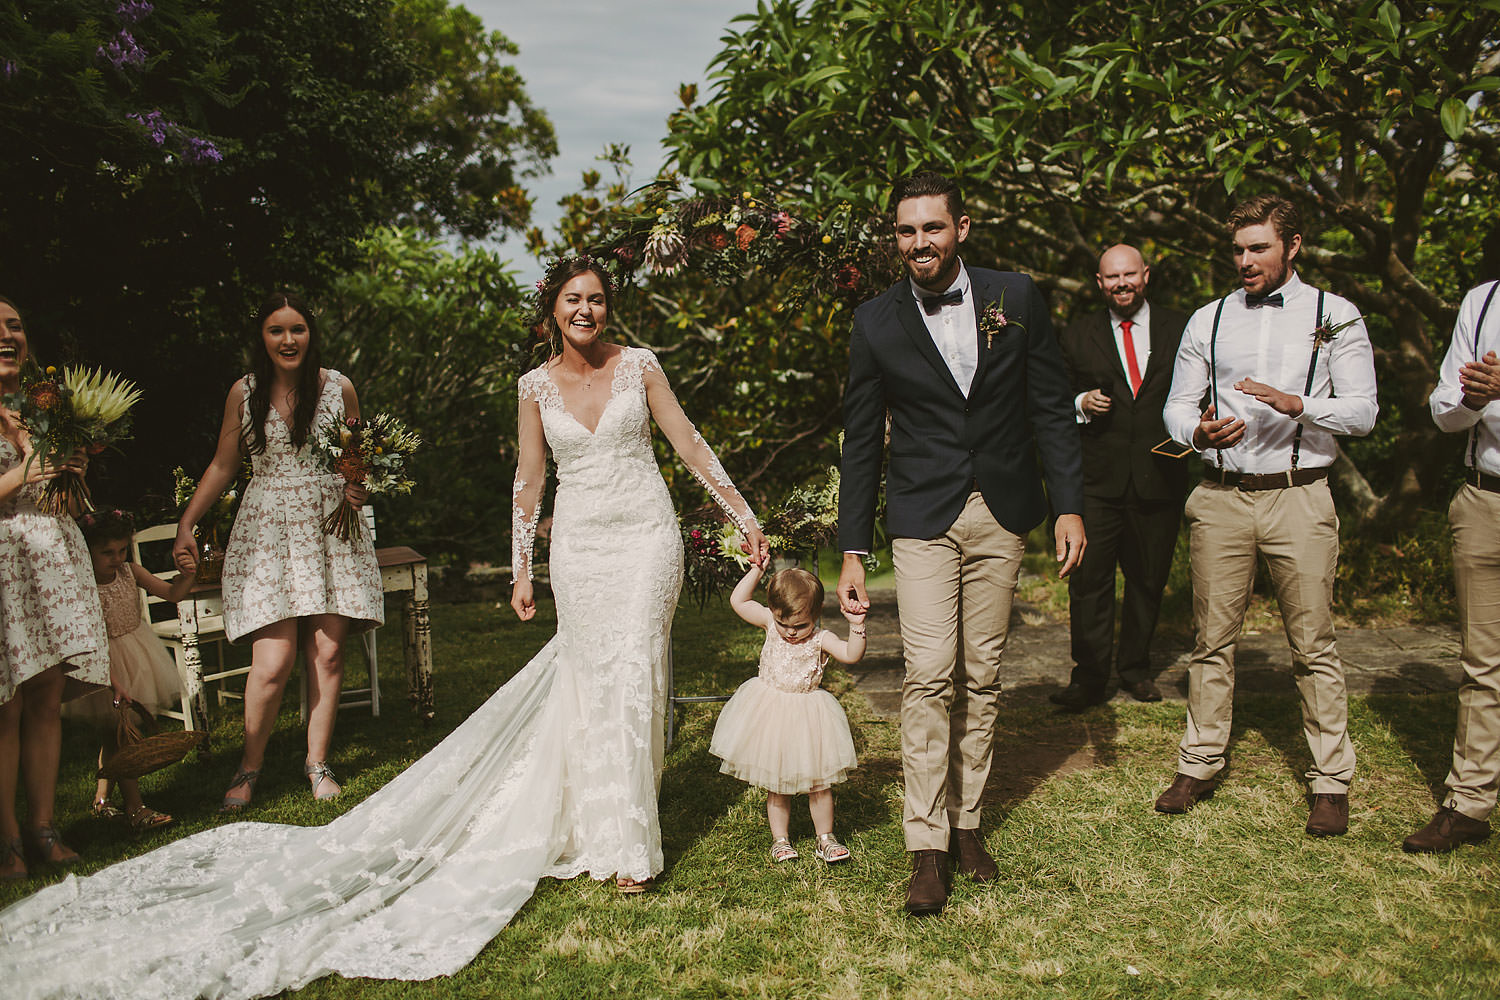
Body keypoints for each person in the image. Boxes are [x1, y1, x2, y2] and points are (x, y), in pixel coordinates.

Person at [0, 257, 768, 997]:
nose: (584, 310)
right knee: (594, 678)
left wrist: (743, 515)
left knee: (635, 667)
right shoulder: (534, 384)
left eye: (595, 298)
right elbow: (529, 479)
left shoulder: (641, 365)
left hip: (645, 536)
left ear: (608, 306)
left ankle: (630, 837)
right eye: (572, 299)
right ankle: (599, 818)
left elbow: (687, 443)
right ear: (552, 312)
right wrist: (522, 566)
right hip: (580, 548)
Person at [837, 171, 1085, 916]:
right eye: (907, 231)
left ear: (962, 228)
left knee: (983, 672)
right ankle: (925, 845)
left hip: (1003, 510)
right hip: (922, 517)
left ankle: (967, 821)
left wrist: (1067, 507)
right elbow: (860, 445)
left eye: (932, 228)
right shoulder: (874, 321)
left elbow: (1050, 408)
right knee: (928, 673)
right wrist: (853, 548)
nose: (920, 243)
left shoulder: (1017, 297)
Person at [1156, 195, 1378, 836]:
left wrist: (1299, 403)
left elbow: (1363, 413)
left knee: (1313, 645)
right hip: (1221, 498)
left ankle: (1331, 779)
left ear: (1293, 246)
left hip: (1299, 495)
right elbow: (1175, 406)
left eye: (1259, 248)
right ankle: (1199, 761)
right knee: (1210, 642)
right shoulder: (1210, 317)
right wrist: (1198, 432)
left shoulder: (1334, 316)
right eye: (1238, 249)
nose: (1246, 261)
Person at [172, 291, 383, 810]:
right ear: (262, 338)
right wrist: (186, 523)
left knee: (329, 652)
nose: (288, 340)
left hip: (332, 528)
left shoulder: (339, 388)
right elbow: (224, 465)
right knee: (274, 660)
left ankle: (317, 763)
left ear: (311, 334)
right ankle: (249, 767)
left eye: (297, 330)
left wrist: (360, 487)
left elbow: (357, 462)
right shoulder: (244, 392)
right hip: (268, 528)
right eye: (276, 330)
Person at [1051, 244, 1190, 709]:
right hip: (1097, 481)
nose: (1122, 283)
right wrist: (1081, 404)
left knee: (1148, 580)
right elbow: (1054, 399)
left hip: (1160, 475)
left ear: (1146, 275)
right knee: (1089, 583)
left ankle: (1135, 669)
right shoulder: (1076, 333)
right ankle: (1088, 678)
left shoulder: (1180, 327)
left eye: (1129, 274)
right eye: (1112, 277)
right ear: (1099, 282)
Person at [0, 295, 110, 880]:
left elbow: (61, 488)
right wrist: (27, 470)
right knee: (5, 705)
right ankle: (8, 840)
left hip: (52, 559)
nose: (6, 334)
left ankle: (44, 828)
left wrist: (71, 470)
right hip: (3, 565)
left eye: (14, 324)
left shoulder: (41, 405)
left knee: (45, 697)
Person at [1402, 279, 1500, 853]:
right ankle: (1468, 803)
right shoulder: (1481, 302)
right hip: (1484, 501)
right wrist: (1474, 400)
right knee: (1483, 664)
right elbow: (1443, 413)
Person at [710, 563, 864, 864]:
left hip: (809, 717)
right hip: (772, 715)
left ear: (816, 616)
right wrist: (757, 569)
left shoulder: (821, 639)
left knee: (820, 784)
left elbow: (851, 654)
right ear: (773, 612)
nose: (791, 633)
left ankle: (825, 838)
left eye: (800, 626)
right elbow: (738, 601)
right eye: (784, 625)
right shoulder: (769, 623)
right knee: (777, 783)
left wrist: (857, 623)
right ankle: (781, 840)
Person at [67, 508, 198, 831]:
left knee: (117, 733)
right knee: (121, 734)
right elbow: (86, 635)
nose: (116, 558)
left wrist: (187, 576)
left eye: (122, 550)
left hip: (138, 653)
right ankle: (135, 807)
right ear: (87, 552)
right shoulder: (82, 585)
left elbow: (171, 593)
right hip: (103, 660)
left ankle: (102, 799)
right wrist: (111, 681)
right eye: (107, 552)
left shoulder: (131, 572)